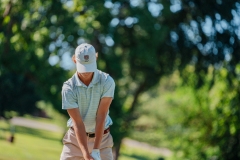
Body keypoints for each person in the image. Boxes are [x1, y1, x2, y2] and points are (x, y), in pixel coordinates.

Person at [60, 43, 115, 160]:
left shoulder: (107, 81)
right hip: (75, 139)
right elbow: (78, 123)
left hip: (102, 140)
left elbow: (101, 116)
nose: (86, 72)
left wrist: (96, 151)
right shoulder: (69, 88)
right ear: (74, 59)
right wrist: (85, 154)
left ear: (96, 57)